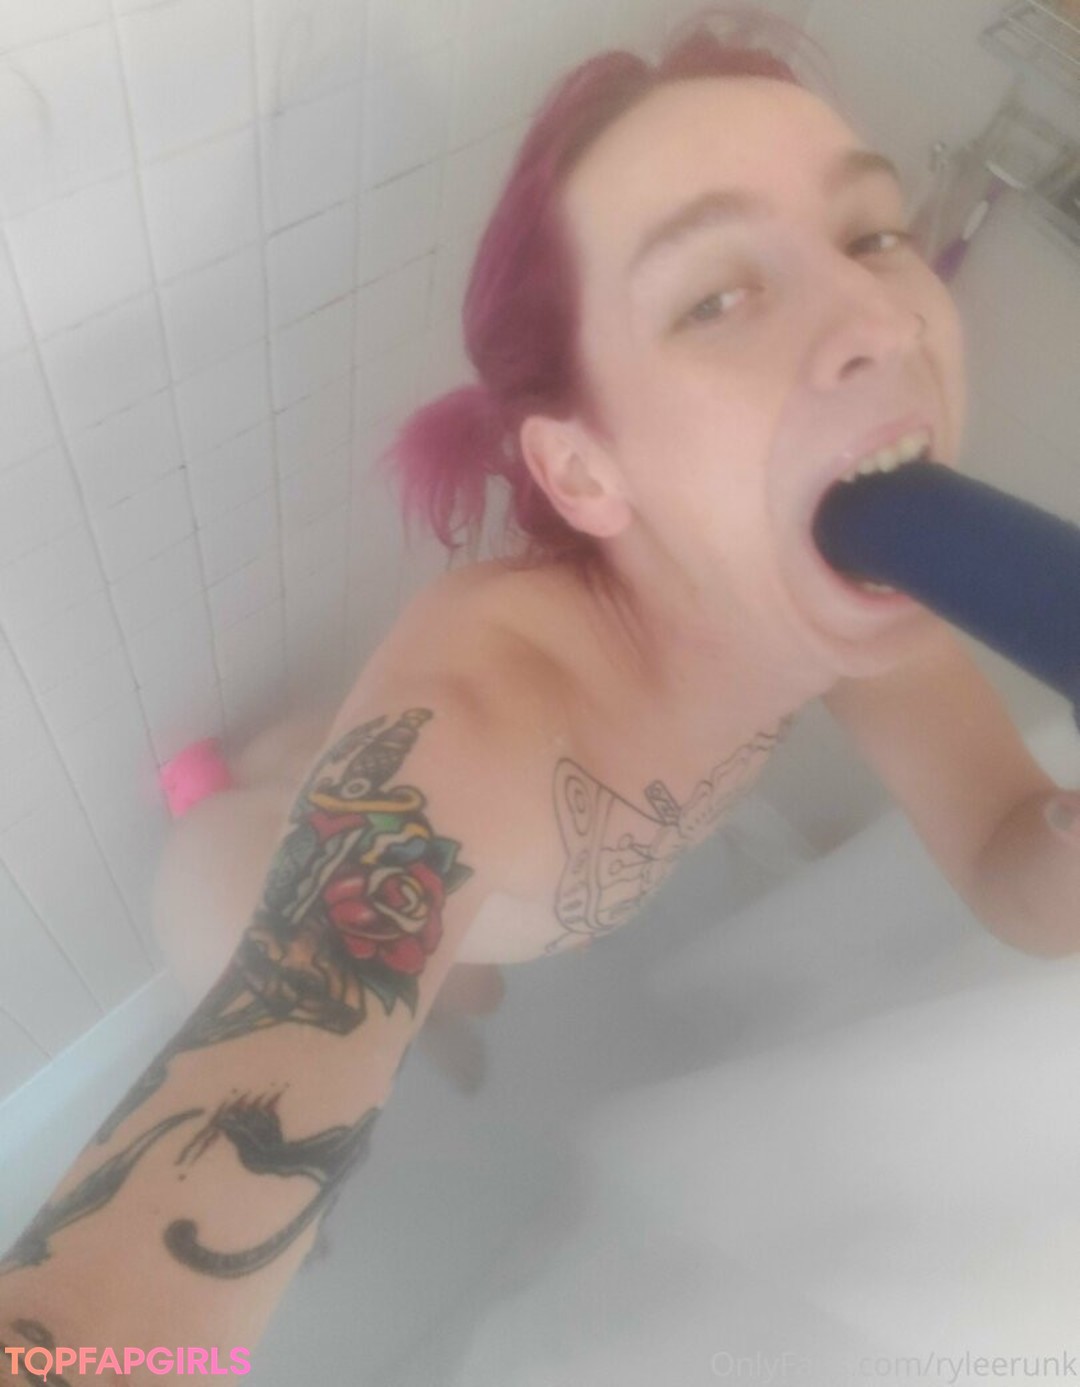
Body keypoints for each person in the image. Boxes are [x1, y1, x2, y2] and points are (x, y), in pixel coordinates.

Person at [3, 5, 1079, 1381]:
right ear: (583, 471)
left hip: (501, 895)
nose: (881, 318)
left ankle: (285, 770)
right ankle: (241, 792)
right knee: (381, 1050)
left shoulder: (847, 623)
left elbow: (1006, 862)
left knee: (459, 990)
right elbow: (164, 1223)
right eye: (716, 297)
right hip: (230, 903)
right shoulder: (476, 724)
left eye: (872, 234)